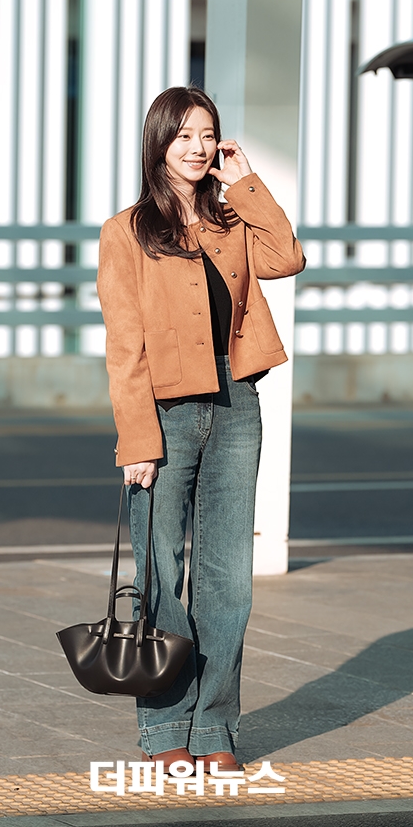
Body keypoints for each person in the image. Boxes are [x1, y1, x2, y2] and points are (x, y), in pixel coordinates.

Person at [97, 86, 305, 772]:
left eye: (207, 134)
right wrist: (137, 442)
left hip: (236, 403)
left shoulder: (230, 219)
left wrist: (246, 185)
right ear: (158, 142)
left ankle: (214, 728)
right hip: (164, 411)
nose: (196, 146)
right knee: (162, 576)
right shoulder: (126, 232)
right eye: (182, 134)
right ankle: (165, 730)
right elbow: (125, 345)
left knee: (228, 582)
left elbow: (286, 258)